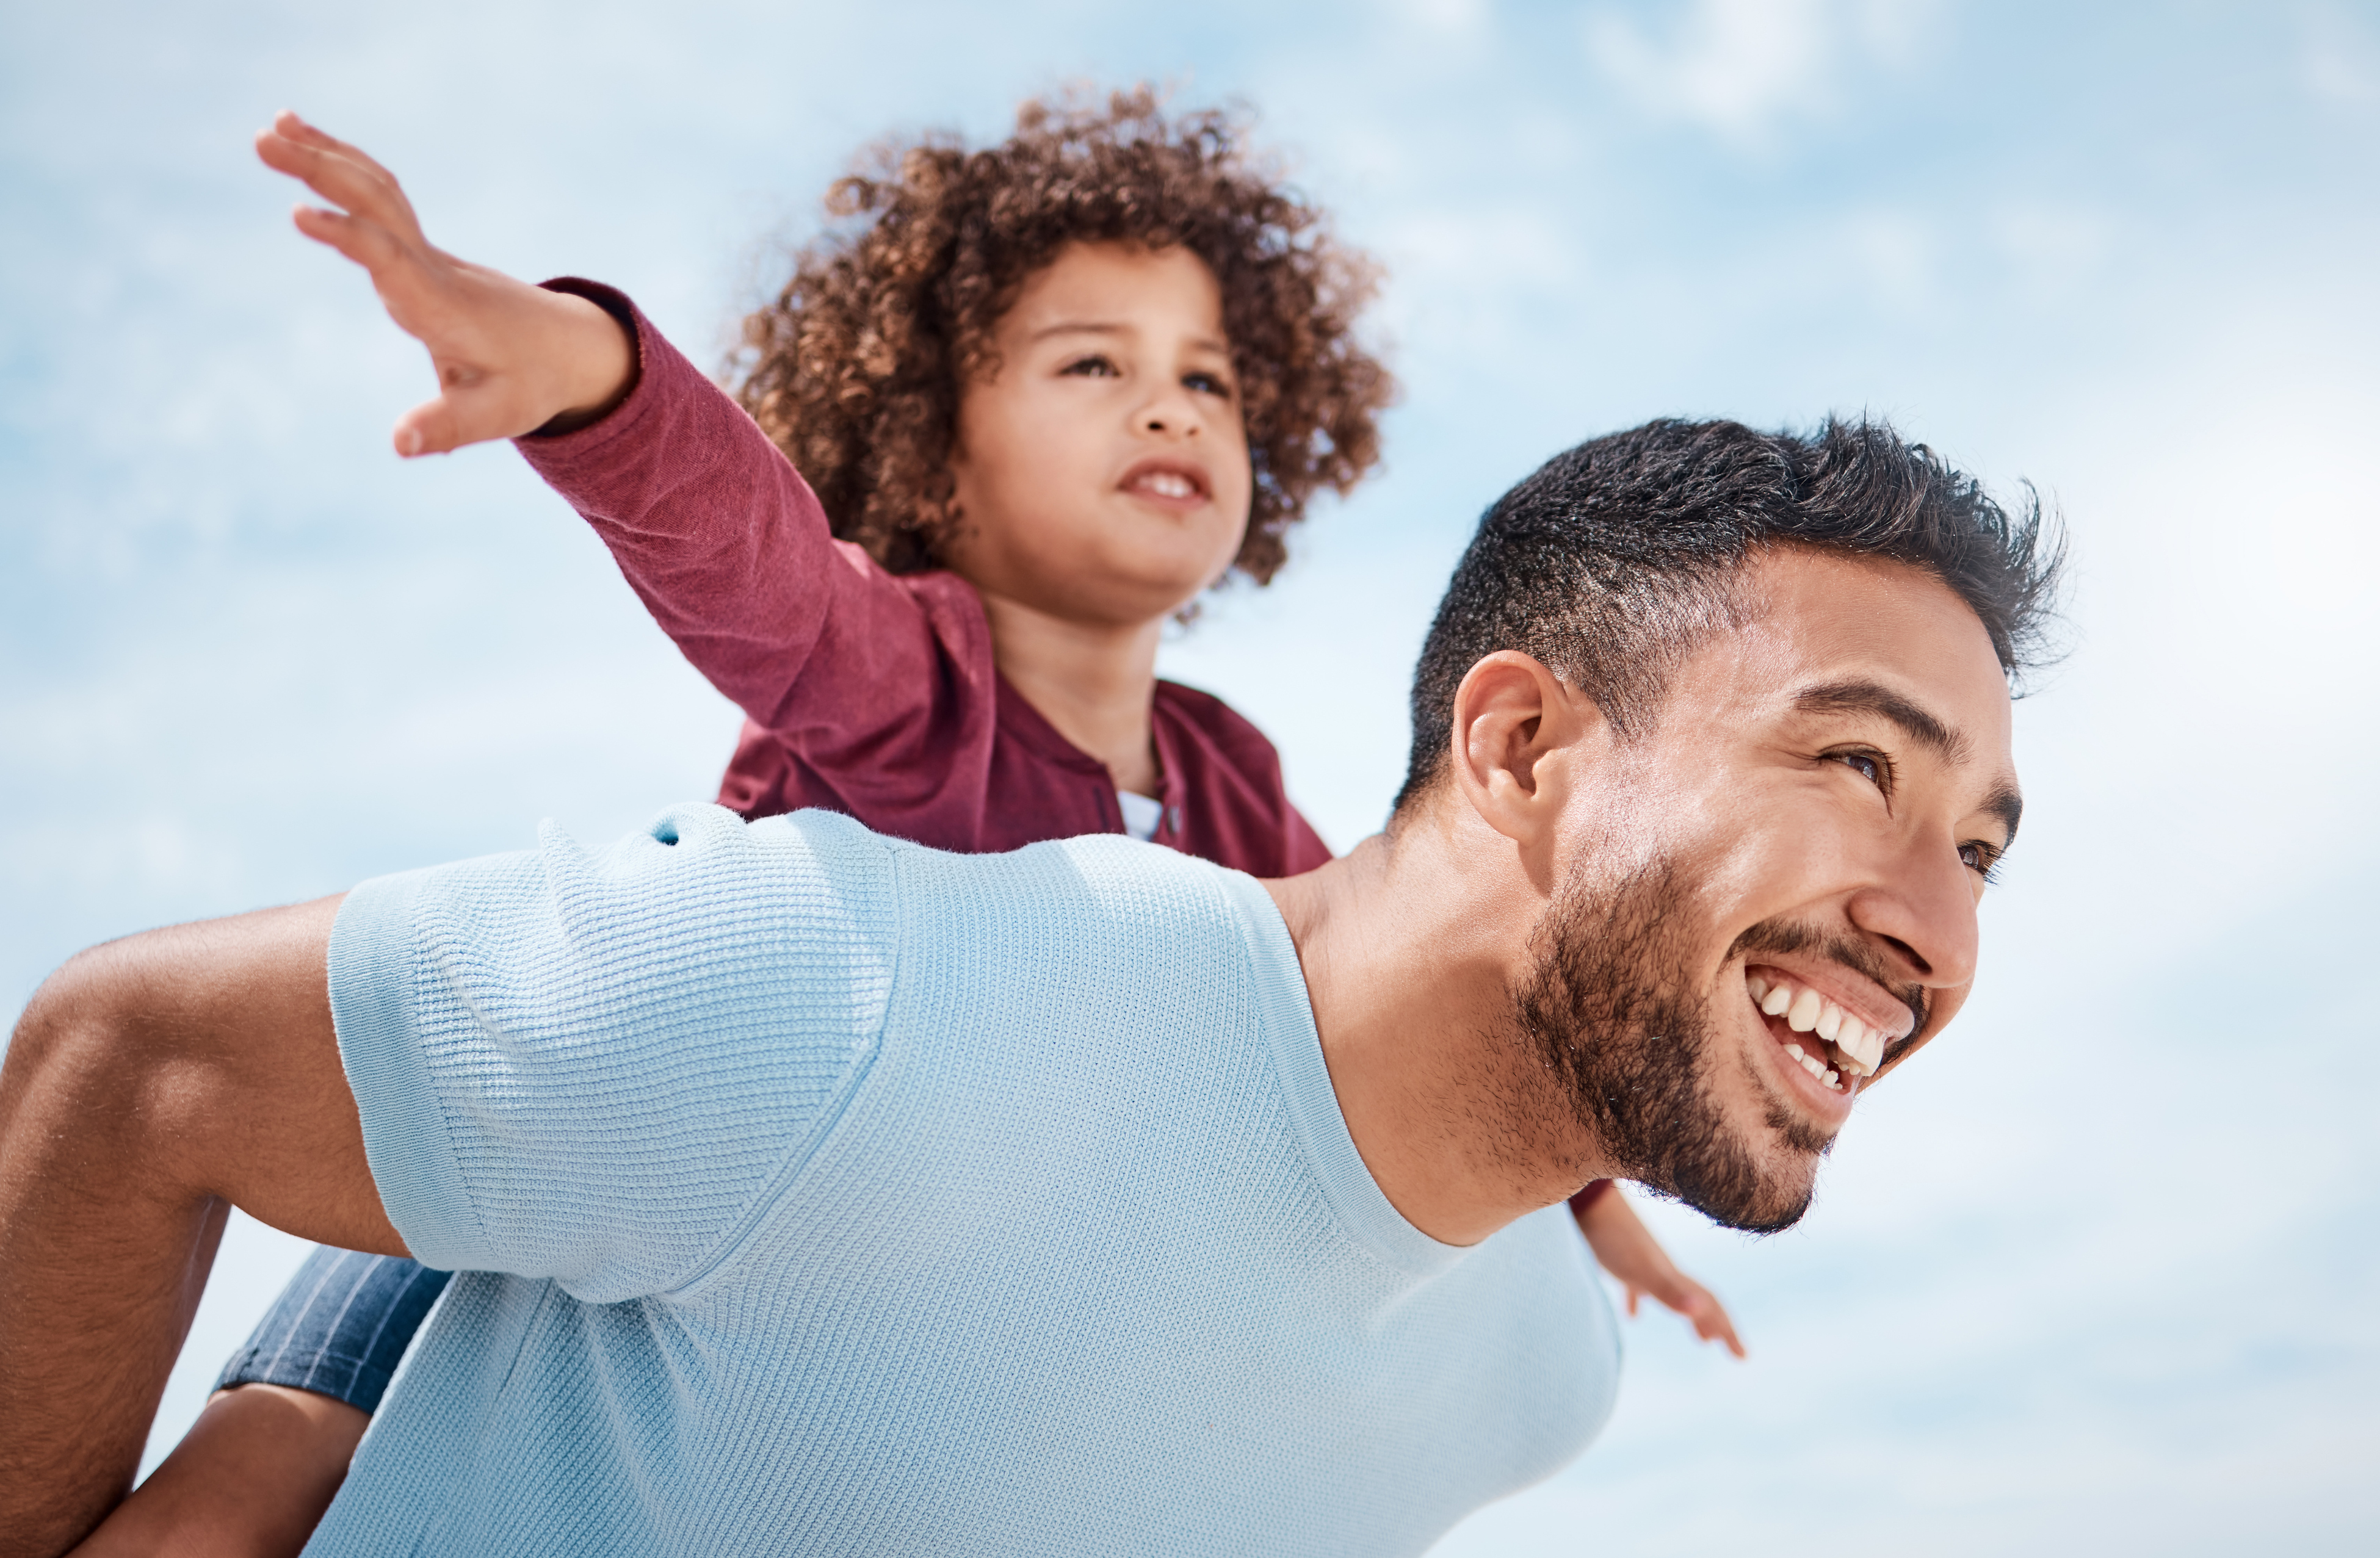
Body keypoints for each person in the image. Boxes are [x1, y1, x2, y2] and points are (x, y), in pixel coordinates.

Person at [0, 361, 2058, 1554]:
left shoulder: (1536, 1379)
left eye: (1976, 841)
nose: (1936, 930)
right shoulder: (860, 984)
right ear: (1516, 742)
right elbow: (131, 1058)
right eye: (1854, 762)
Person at [81, 95, 1740, 1558]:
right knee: (237, 1498)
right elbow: (757, 565)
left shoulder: (1232, 784)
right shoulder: (898, 676)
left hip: (837, 1323)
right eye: (1092, 364)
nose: (1165, 407)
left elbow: (1419, 976)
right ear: (932, 454)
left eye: (1206, 379)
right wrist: (589, 379)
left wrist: (1593, 1206)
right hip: (566, 1201)